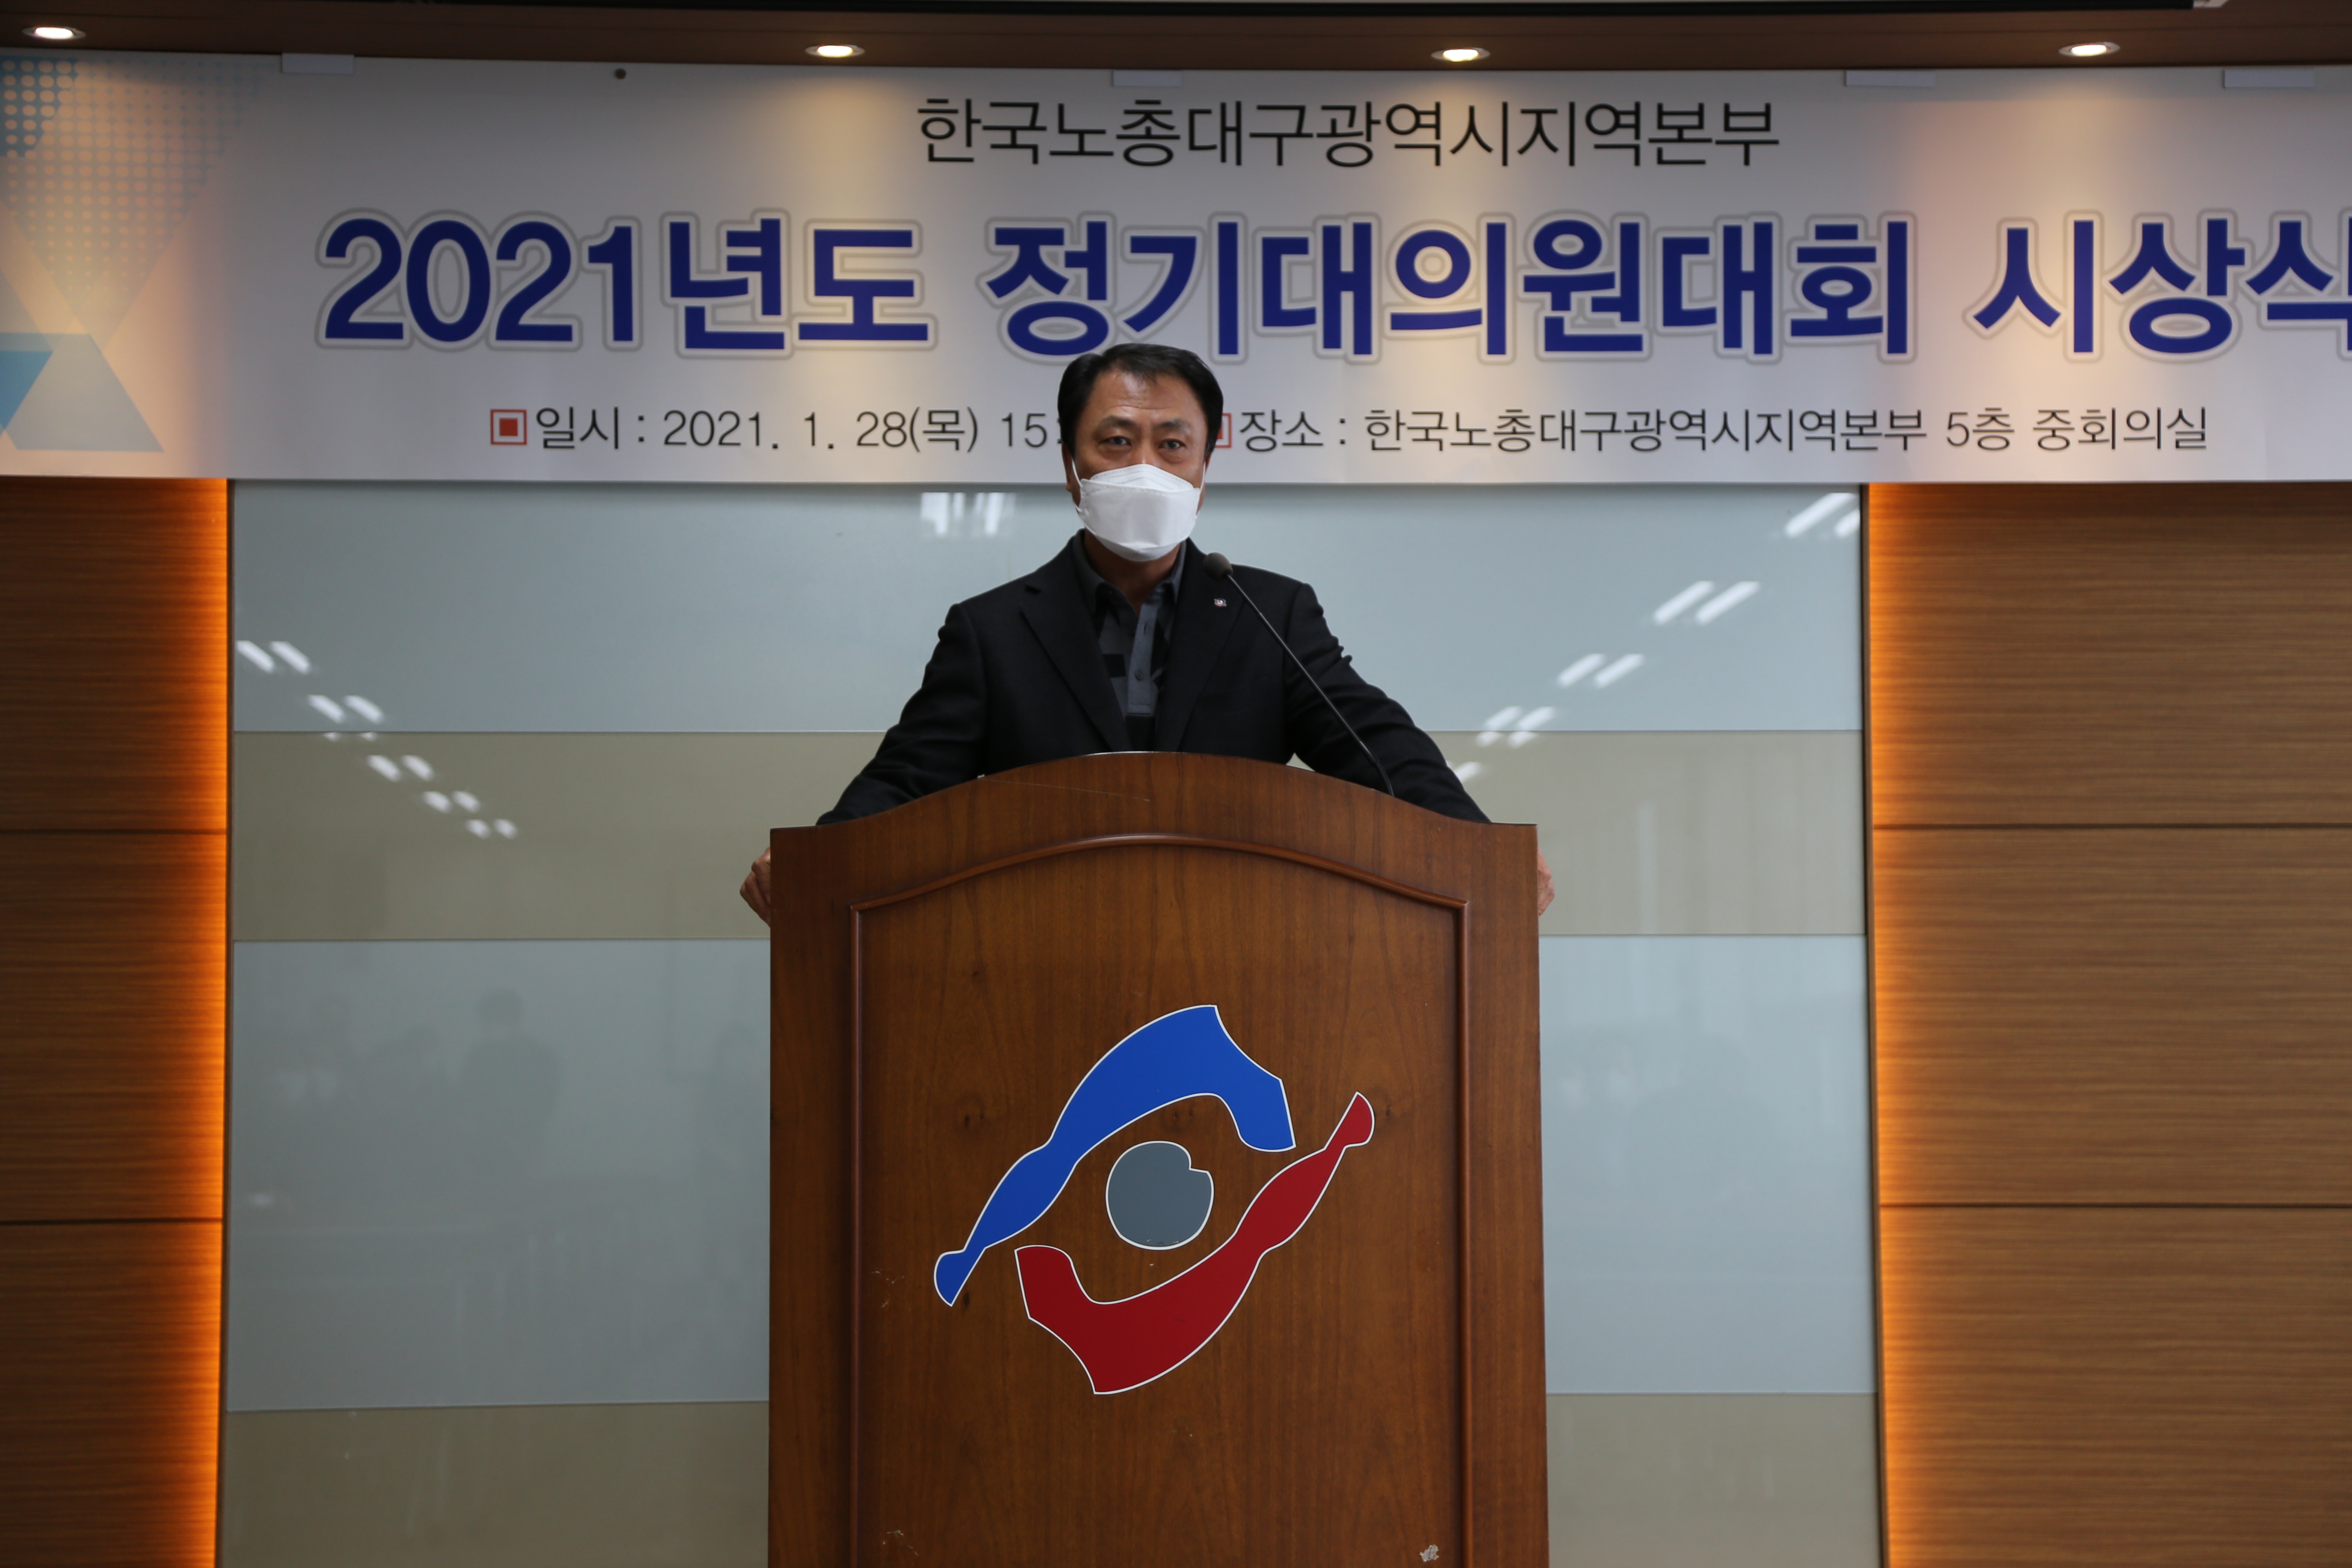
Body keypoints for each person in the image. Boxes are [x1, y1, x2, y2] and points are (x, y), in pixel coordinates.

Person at [740, 343, 1553, 920]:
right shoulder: (993, 630)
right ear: (1071, 466)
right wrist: (816, 864)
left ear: (1205, 466)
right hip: (1041, 946)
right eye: (1117, 442)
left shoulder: (1271, 614)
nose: (1146, 468)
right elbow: (907, 781)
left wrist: (1484, 855)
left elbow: (1378, 749)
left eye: (1173, 445)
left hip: (1236, 941)